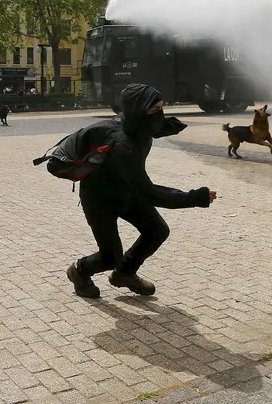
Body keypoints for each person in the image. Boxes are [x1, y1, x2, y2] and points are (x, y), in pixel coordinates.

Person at [66, 83, 216, 299]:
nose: (160, 114)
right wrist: (195, 197)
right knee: (110, 256)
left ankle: (125, 273)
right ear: (139, 110)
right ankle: (79, 270)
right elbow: (150, 193)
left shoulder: (140, 125)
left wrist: (174, 126)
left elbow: (156, 127)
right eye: (155, 109)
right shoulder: (122, 145)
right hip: (100, 199)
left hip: (127, 190)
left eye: (162, 107)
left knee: (157, 230)